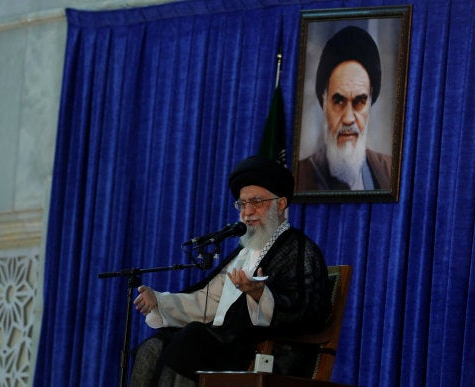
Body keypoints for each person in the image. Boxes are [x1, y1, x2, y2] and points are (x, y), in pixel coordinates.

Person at [130, 156, 331, 386]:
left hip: (265, 351)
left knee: (192, 339)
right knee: (153, 347)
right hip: (224, 343)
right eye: (242, 204)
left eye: (256, 202)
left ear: (281, 203)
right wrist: (160, 301)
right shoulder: (244, 252)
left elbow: (310, 312)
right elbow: (209, 301)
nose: (247, 212)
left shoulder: (301, 249)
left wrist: (260, 294)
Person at [297, 25, 392, 191]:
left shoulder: (389, 170)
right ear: (324, 101)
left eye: (359, 102)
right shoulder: (298, 178)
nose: (348, 118)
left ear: (370, 103)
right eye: (339, 101)